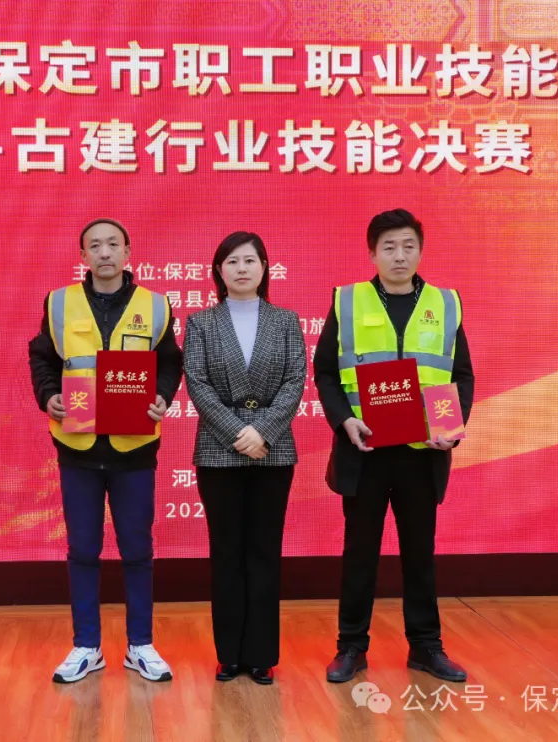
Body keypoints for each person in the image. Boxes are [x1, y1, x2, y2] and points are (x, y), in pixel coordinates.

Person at [314, 209, 475, 684]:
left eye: (408, 246)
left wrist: (450, 427)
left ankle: (426, 646)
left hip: (423, 453)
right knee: (359, 552)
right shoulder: (348, 301)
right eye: (389, 247)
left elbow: (459, 374)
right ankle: (350, 646)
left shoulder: (445, 303)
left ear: (420, 251)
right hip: (364, 449)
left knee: (419, 553)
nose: (399, 256)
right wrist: (344, 420)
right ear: (372, 253)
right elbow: (325, 371)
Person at [28, 217, 183, 684]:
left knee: (137, 549)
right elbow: (42, 357)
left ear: (128, 251)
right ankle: (86, 646)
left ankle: (140, 645)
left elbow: (170, 363)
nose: (105, 253)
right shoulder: (60, 303)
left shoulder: (155, 305)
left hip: (134, 447)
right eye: (94, 246)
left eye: (113, 244)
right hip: (77, 445)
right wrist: (48, 395)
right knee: (83, 549)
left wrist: (162, 396)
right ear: (83, 256)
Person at [183, 231, 306, 686]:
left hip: (274, 450)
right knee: (227, 552)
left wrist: (263, 431)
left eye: (250, 260)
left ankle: (261, 655)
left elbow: (295, 381)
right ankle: (229, 654)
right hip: (219, 451)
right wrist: (238, 433)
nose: (241, 268)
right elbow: (197, 383)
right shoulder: (200, 323)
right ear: (219, 270)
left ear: (264, 268)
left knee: (264, 552)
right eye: (232, 261)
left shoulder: (286, 321)